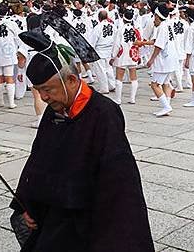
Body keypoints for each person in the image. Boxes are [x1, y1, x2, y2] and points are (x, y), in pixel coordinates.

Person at [11, 31, 153, 251]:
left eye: (48, 90)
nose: (44, 98)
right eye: (39, 91)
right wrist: (27, 203)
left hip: (89, 217)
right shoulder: (54, 110)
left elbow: (118, 180)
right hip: (54, 213)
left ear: (71, 79)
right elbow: (38, 158)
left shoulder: (103, 113)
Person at [142, 4, 178, 117]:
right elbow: (155, 41)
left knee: (155, 84)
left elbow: (159, 46)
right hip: (171, 58)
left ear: (158, 16)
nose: (153, 20)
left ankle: (166, 106)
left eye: (155, 17)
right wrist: (142, 43)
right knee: (166, 83)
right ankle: (167, 105)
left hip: (164, 60)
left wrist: (151, 60)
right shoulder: (168, 25)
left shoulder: (162, 27)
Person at [110, 9, 141, 105]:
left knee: (119, 77)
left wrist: (113, 56)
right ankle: (132, 98)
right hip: (133, 55)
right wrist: (139, 56)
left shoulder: (120, 30)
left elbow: (116, 45)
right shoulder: (136, 30)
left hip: (122, 55)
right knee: (133, 77)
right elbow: (139, 43)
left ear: (123, 19)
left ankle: (118, 99)